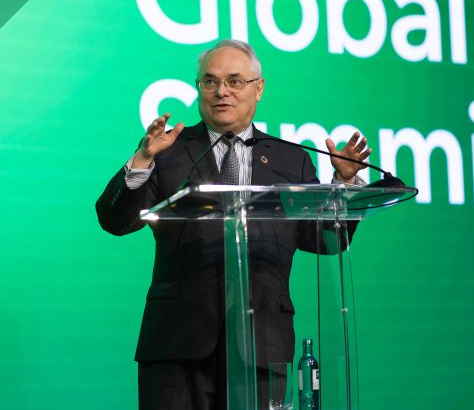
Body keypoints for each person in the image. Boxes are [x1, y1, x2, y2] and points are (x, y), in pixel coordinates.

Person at [96, 39, 372, 410]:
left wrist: (344, 187)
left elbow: (324, 240)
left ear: (258, 88)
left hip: (261, 347)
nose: (221, 91)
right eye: (209, 82)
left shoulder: (291, 160)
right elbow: (115, 221)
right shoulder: (167, 151)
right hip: (177, 347)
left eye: (234, 81)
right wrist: (142, 159)